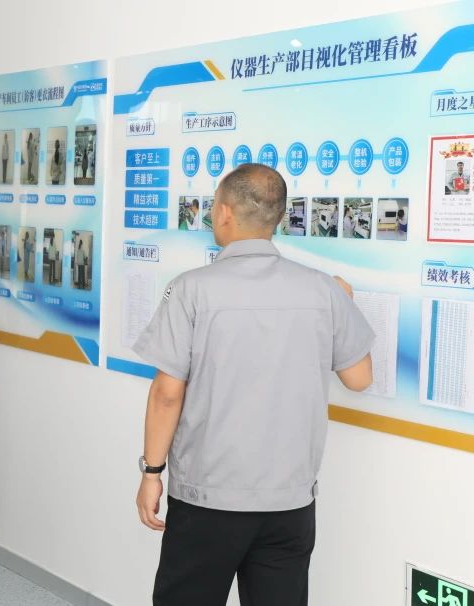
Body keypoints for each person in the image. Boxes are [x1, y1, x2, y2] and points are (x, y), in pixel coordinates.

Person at [132, 163, 375, 606]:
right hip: (290, 501)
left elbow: (167, 395)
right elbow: (359, 379)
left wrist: (151, 473)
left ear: (224, 212)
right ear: (276, 218)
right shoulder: (322, 290)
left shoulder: (190, 289)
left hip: (208, 497)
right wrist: (342, 303)